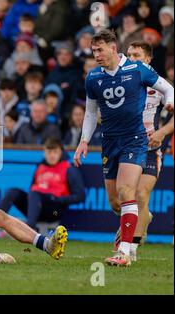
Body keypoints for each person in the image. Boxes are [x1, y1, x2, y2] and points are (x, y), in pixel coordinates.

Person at [74, 29, 174, 267]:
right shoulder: (93, 77)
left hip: (136, 139)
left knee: (129, 191)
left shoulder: (138, 69)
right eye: (93, 50)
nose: (96, 54)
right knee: (115, 202)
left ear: (113, 47)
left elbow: (169, 88)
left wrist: (170, 102)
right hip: (109, 141)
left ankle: (125, 252)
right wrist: (84, 140)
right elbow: (90, 112)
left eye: (100, 49)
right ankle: (136, 220)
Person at [110, 41, 174, 261]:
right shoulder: (123, 79)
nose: (131, 58)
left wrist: (162, 133)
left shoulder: (158, 84)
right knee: (119, 201)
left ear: (148, 59)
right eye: (128, 54)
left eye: (136, 55)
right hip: (126, 145)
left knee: (140, 193)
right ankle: (142, 217)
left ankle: (131, 248)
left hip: (150, 148)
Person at [0, 138, 85, 231]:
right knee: (13, 192)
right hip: (36, 207)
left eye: (55, 152)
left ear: (61, 152)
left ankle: (29, 229)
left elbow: (80, 196)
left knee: (35, 193)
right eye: (49, 152)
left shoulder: (69, 169)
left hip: (55, 211)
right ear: (44, 153)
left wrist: (58, 199)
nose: (52, 155)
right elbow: (32, 190)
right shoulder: (40, 167)